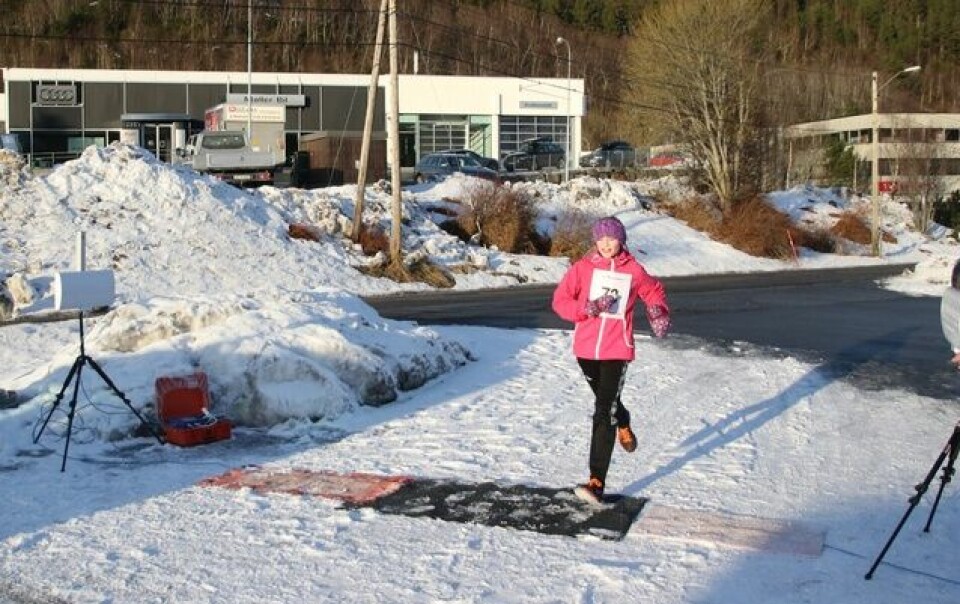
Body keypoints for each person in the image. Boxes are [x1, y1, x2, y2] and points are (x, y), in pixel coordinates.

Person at [551, 216, 670, 504]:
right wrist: (587, 308)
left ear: (621, 240)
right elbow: (560, 301)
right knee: (611, 405)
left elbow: (653, 290)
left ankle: (596, 482)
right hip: (587, 350)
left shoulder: (633, 269)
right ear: (595, 240)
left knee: (603, 411)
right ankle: (624, 421)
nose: (606, 244)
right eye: (601, 238)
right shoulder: (582, 268)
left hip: (617, 350)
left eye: (612, 238)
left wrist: (657, 310)